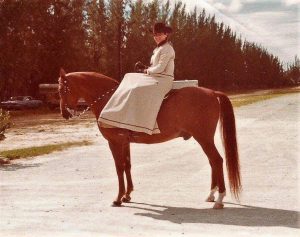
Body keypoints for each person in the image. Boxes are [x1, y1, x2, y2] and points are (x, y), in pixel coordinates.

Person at [98, 22, 175, 135]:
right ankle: (120, 117)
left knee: (136, 89)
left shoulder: (168, 48)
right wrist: (146, 67)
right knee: (128, 77)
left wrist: (146, 70)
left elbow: (160, 68)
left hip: (164, 79)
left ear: (166, 34)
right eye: (155, 35)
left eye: (159, 34)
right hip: (156, 77)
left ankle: (139, 124)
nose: (157, 37)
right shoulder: (158, 49)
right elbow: (156, 68)